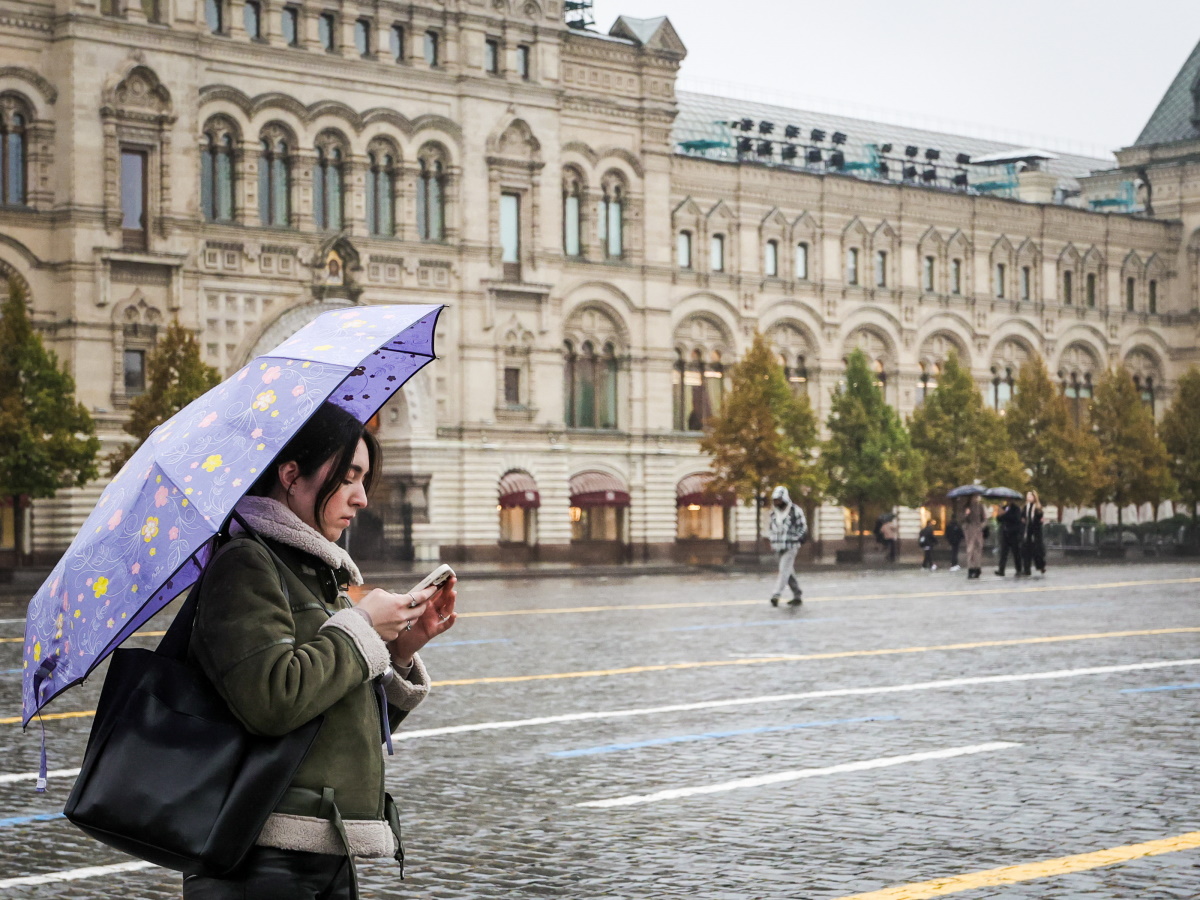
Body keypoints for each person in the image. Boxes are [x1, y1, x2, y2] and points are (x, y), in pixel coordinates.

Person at [185, 403, 457, 899]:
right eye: (348, 477)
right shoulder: (246, 564)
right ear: (291, 474)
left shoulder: (312, 572)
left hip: (323, 848)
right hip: (260, 858)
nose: (362, 498)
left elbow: (338, 731)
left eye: (365, 479)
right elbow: (273, 701)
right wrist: (362, 625)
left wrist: (398, 650)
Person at [767, 485, 807, 607]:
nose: (776, 502)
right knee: (788, 571)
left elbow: (803, 527)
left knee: (784, 570)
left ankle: (776, 594)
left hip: (791, 545)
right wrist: (772, 541)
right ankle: (797, 594)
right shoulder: (773, 513)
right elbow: (771, 528)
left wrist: (798, 538)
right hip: (778, 546)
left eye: (778, 499)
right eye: (775, 500)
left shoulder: (795, 510)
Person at [994, 498, 1025, 577]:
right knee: (1003, 553)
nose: (1007, 501)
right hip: (1005, 533)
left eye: (1009, 500)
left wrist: (1004, 514)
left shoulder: (1016, 509)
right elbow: (999, 519)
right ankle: (1001, 570)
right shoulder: (1004, 508)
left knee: (1016, 552)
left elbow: (1015, 518)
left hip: (1014, 533)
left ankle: (1018, 569)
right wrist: (999, 513)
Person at [1021, 489, 1046, 576]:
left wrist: (1040, 520)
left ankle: (1041, 566)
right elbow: (1022, 517)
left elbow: (1040, 518)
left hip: (1035, 532)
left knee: (1037, 551)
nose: (1028, 497)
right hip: (1027, 531)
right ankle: (1026, 569)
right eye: (1027, 496)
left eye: (1030, 496)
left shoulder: (1037, 507)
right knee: (1026, 551)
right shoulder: (1025, 507)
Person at [962, 495, 985, 579]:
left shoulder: (980, 506)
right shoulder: (966, 507)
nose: (976, 499)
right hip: (969, 531)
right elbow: (962, 519)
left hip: (978, 530)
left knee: (977, 550)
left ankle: (977, 568)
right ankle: (971, 569)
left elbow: (984, 518)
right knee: (970, 550)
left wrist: (981, 527)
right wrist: (966, 514)